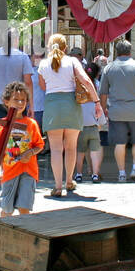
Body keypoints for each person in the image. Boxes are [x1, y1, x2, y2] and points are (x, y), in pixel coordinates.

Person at [36, 33, 94, 197]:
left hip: (52, 106)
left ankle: (57, 186)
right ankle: (69, 181)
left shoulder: (43, 64)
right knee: (71, 147)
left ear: (49, 47)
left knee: (55, 149)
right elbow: (84, 80)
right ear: (65, 48)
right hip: (71, 106)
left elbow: (43, 86)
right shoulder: (72, 61)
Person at [100, 39, 135, 182]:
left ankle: (122, 173)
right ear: (130, 51)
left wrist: (103, 108)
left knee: (120, 142)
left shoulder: (109, 68)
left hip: (116, 111)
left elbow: (103, 93)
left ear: (117, 52)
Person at [0, 81, 44, 216]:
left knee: (24, 208)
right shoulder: (0, 125)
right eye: (16, 100)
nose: (20, 103)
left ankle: (25, 235)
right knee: (7, 209)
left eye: (23, 100)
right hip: (9, 171)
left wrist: (30, 152)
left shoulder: (31, 123)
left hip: (28, 170)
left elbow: (39, 145)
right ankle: (2, 234)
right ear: (7, 101)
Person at [0, 28, 34, 130]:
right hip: (17, 103)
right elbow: (28, 82)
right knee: (17, 134)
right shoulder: (23, 57)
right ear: (17, 39)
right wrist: (30, 104)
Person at [76, 60, 107, 184]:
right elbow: (101, 116)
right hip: (94, 128)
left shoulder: (79, 94)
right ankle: (95, 173)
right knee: (95, 151)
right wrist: (102, 122)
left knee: (80, 152)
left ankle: (78, 174)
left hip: (81, 128)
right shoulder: (97, 88)